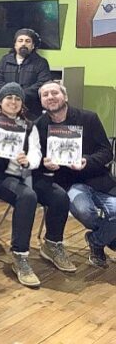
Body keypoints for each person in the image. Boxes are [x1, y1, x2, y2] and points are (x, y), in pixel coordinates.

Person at [0, 82, 73, 287]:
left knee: (60, 196)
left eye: (17, 98)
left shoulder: (29, 125)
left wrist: (28, 161)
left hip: (24, 174)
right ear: (0, 101)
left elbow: (35, 153)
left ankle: (52, 244)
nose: (13, 101)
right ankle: (20, 256)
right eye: (9, 97)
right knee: (27, 197)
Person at [35, 81, 115, 268]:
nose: (50, 97)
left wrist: (87, 161)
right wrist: (45, 164)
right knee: (83, 211)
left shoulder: (89, 118)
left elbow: (106, 152)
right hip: (68, 184)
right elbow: (35, 159)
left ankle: (96, 241)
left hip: (98, 180)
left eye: (54, 92)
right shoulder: (38, 126)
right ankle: (108, 237)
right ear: (41, 102)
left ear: (66, 97)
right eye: (45, 95)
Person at [0, 28, 52, 120]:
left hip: (32, 110)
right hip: (6, 109)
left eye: (28, 41)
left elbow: (43, 84)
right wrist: (10, 96)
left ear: (33, 46)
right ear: (15, 45)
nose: (23, 43)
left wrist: (20, 95)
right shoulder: (5, 60)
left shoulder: (41, 63)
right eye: (20, 41)